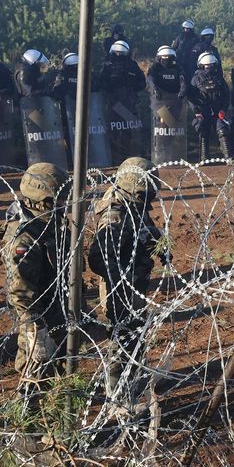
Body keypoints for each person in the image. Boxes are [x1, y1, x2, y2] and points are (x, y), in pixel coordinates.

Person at [89, 157, 165, 419]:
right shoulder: (114, 213)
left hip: (132, 283)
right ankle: (119, 399)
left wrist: (159, 244)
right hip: (118, 286)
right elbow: (99, 257)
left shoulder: (132, 200)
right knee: (123, 337)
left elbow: (145, 225)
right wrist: (123, 279)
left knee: (133, 337)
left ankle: (132, 384)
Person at [3, 162, 70, 418]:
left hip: (55, 308)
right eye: (61, 196)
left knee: (56, 369)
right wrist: (35, 330)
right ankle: (25, 425)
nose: (66, 202)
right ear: (44, 198)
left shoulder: (47, 223)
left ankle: (50, 420)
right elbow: (20, 291)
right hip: (38, 316)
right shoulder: (25, 236)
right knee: (35, 370)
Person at [191, 52, 231, 160]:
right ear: (201, 65)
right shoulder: (196, 79)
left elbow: (226, 95)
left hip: (218, 112)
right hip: (203, 112)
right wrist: (196, 112)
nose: (209, 67)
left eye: (211, 65)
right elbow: (191, 97)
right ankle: (204, 158)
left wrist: (223, 109)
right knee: (203, 129)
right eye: (206, 65)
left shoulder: (219, 79)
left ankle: (228, 158)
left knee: (222, 129)